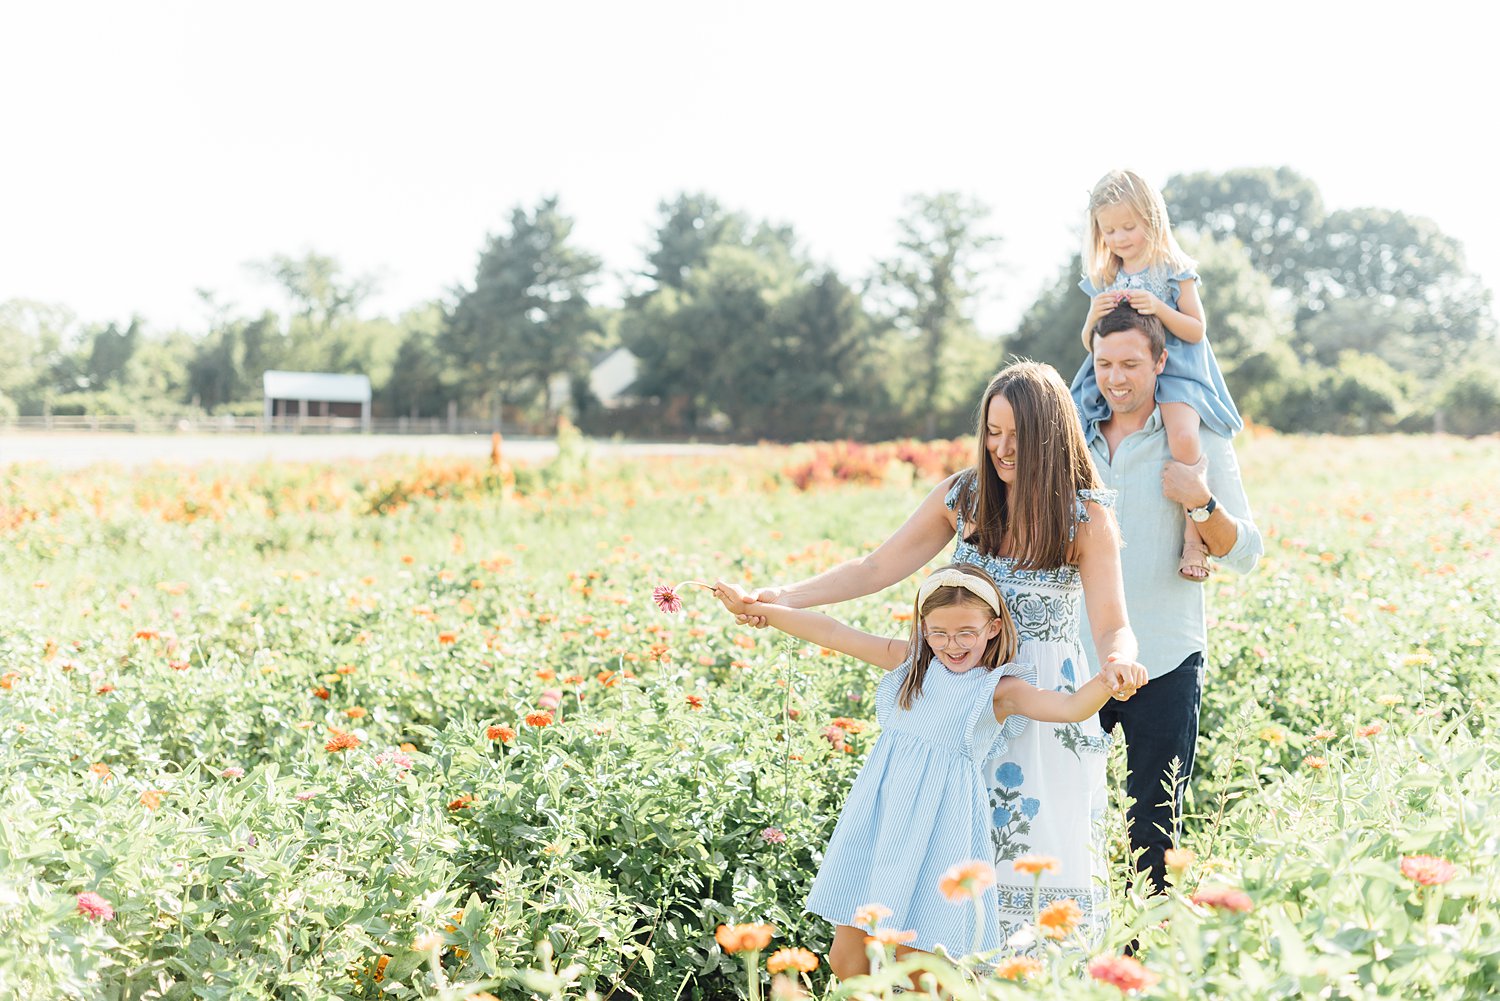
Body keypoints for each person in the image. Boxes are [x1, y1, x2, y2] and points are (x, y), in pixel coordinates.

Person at [732, 361, 1142, 945]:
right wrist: (784, 596)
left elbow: (1113, 624)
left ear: (1050, 436)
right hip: (958, 701)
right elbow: (875, 567)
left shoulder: (1084, 515)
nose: (1001, 448)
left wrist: (1120, 661)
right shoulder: (964, 496)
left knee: (1034, 853)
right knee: (946, 852)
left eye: (1017, 437)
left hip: (1044, 705)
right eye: (992, 432)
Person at [713, 566, 1146, 980]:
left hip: (941, 827)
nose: (952, 644)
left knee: (918, 967)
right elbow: (831, 631)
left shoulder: (998, 688)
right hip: (880, 816)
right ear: (922, 628)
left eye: (965, 633)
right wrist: (759, 609)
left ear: (993, 628)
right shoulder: (911, 664)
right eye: (938, 632)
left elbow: (1068, 708)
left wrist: (1109, 679)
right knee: (846, 958)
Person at [1082, 303, 1264, 893]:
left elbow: (1246, 550)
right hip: (1075, 663)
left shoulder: (1197, 435)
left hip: (1164, 660)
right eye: (1104, 363)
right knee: (1066, 826)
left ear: (1162, 361)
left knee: (1153, 838)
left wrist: (1201, 501)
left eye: (1131, 363)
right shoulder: (1072, 437)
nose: (1116, 378)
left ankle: (1142, 970)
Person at [1068, 169, 1243, 583]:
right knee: (1070, 420)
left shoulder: (1172, 267)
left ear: (1152, 219)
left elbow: (1196, 330)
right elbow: (1090, 342)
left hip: (1175, 367)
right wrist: (1093, 315)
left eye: (1129, 226)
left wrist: (1157, 308)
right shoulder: (1107, 275)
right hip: (1122, 367)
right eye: (1109, 230)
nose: (1120, 238)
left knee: (1183, 435)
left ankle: (1193, 536)